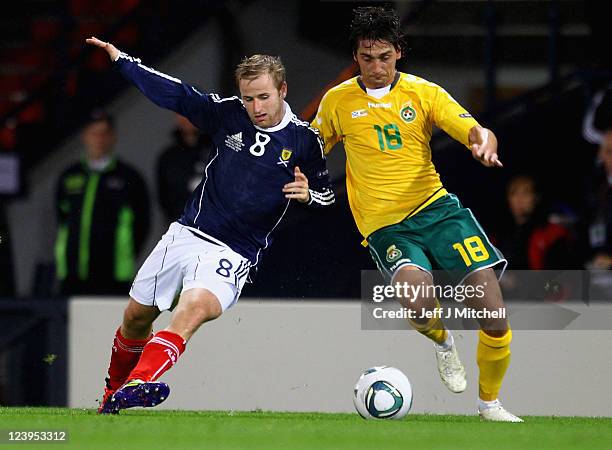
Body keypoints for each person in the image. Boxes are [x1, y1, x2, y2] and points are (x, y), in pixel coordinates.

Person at [85, 37, 335, 414]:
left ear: (282, 89)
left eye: (264, 97)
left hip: (234, 251)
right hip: (187, 234)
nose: (256, 107)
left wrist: (308, 196)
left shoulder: (305, 141)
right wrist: (124, 62)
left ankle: (141, 380)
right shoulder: (228, 113)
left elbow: (327, 198)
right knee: (136, 318)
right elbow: (179, 96)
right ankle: (113, 397)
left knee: (195, 307)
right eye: (249, 98)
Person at [312, 7, 521, 421]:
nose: (375, 67)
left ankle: (489, 405)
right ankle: (444, 343)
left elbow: (476, 129)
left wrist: (485, 144)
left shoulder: (424, 93)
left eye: (384, 57)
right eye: (367, 57)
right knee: (417, 300)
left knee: (493, 312)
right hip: (387, 227)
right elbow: (311, 147)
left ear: (399, 53)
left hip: (438, 211)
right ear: (356, 56)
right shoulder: (337, 102)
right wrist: (300, 176)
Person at [54, 110, 150, 296]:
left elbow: (142, 224)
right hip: (73, 273)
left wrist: (125, 256)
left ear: (113, 137)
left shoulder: (129, 176)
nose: (99, 139)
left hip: (114, 275)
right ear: (84, 136)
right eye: (93, 133)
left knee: (111, 324)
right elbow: (61, 219)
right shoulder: (69, 176)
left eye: (104, 133)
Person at [494, 174, 573, 270]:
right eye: (514, 193)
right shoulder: (500, 235)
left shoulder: (552, 233)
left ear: (537, 197)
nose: (519, 200)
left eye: (526, 193)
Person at [156, 114, 212, 224]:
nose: (187, 117)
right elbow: (164, 200)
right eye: (181, 112)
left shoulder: (219, 148)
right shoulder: (168, 158)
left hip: (223, 227)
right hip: (185, 229)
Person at [585, 129, 612, 269]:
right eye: (605, 151)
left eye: (609, 151)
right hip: (597, 267)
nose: (603, 157)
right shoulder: (597, 190)